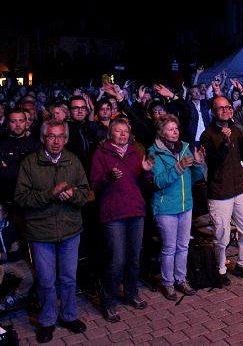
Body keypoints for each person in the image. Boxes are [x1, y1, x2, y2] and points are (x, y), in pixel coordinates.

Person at [14, 119, 90, 343]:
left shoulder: (73, 161)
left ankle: (68, 316)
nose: (56, 141)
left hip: (69, 230)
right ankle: (47, 321)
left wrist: (73, 194)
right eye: (51, 136)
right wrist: (50, 193)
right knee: (46, 281)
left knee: (68, 278)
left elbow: (84, 193)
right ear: (43, 138)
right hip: (41, 233)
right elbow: (21, 198)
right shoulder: (30, 163)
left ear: (66, 139)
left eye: (60, 137)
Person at [90, 118, 154, 322]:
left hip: (135, 211)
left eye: (125, 131)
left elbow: (144, 183)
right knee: (116, 260)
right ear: (111, 134)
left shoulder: (136, 152)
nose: (122, 134)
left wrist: (145, 172)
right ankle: (109, 302)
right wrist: (108, 176)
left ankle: (131, 293)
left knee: (134, 258)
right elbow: (94, 184)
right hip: (113, 213)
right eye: (118, 131)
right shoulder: (102, 153)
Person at [200, 96, 243, 287]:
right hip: (220, 192)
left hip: (239, 189)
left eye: (228, 107)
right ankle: (220, 269)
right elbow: (214, 162)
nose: (226, 110)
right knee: (221, 235)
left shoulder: (236, 130)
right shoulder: (207, 135)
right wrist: (224, 143)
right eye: (221, 108)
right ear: (213, 112)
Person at [148, 114, 205, 301]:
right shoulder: (154, 152)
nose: (175, 132)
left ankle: (181, 279)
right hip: (166, 208)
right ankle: (168, 283)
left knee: (183, 246)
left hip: (185, 205)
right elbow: (158, 181)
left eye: (176, 128)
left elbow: (196, 178)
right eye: (170, 129)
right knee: (169, 247)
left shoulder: (185, 148)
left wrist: (198, 163)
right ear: (161, 132)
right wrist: (178, 168)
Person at [0, 203, 34, 312]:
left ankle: (14, 297)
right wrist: (8, 253)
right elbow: (10, 252)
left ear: (5, 214)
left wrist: (9, 254)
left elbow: (19, 249)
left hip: (16, 261)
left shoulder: (13, 226)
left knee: (30, 275)